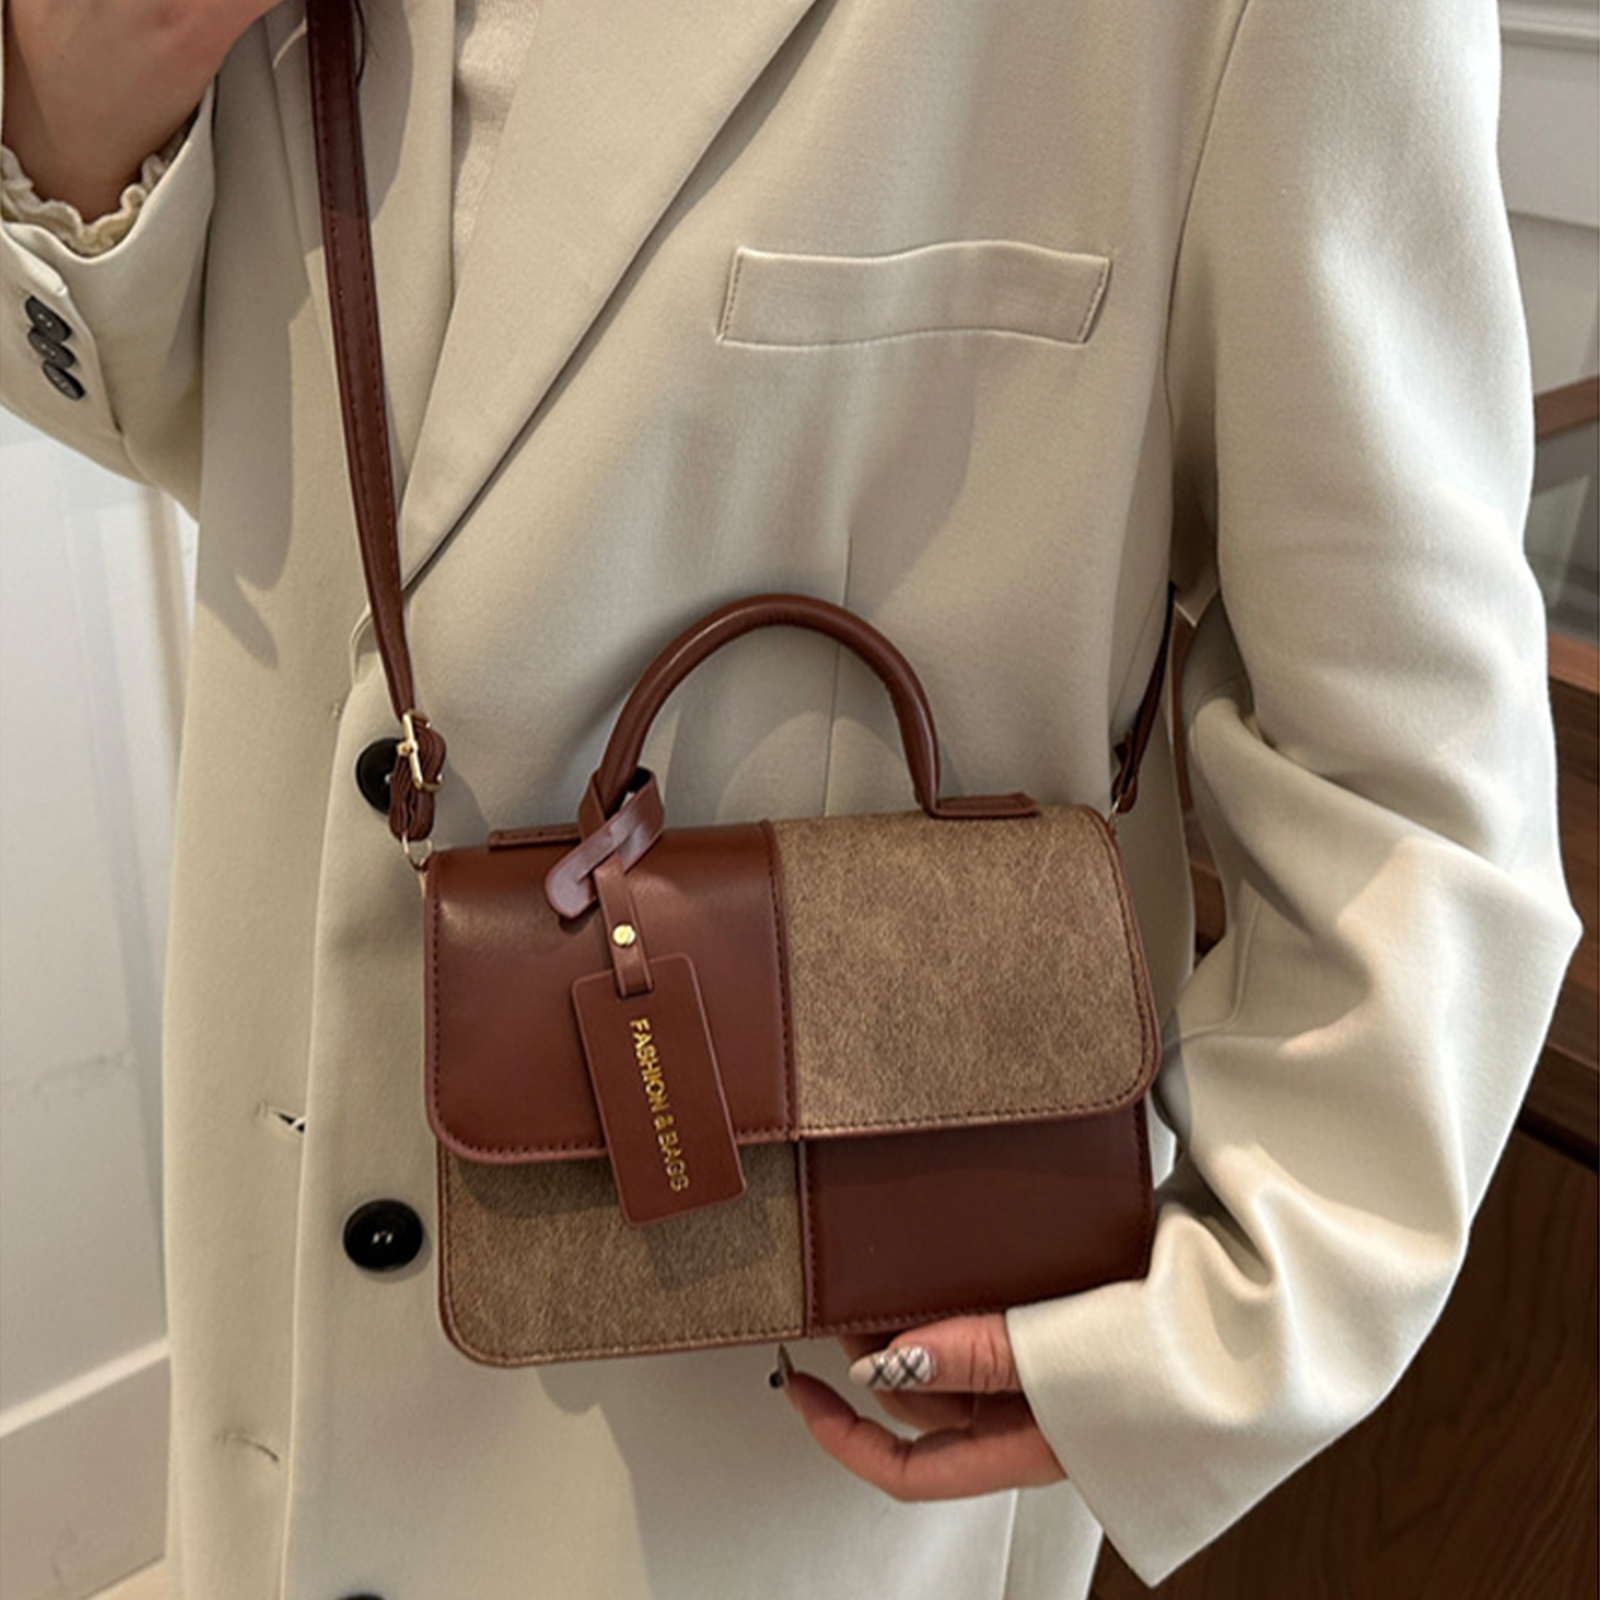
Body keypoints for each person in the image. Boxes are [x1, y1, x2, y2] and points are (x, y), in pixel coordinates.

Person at [1, 1, 1579, 1596]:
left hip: (786, 1411)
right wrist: (70, 108)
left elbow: (1403, 728)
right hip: (269, 1221)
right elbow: (231, 435)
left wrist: (1235, 1319)